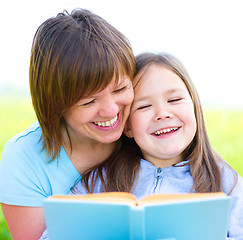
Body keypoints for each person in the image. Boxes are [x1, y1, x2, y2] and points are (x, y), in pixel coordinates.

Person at [67, 52, 243, 239]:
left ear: (194, 107)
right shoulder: (100, 182)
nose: (162, 113)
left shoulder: (226, 183)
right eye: (144, 106)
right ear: (127, 127)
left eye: (174, 100)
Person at [0, 8, 135, 239]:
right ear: (56, 104)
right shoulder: (23, 158)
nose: (112, 110)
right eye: (89, 102)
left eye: (120, 89)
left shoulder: (146, 128)